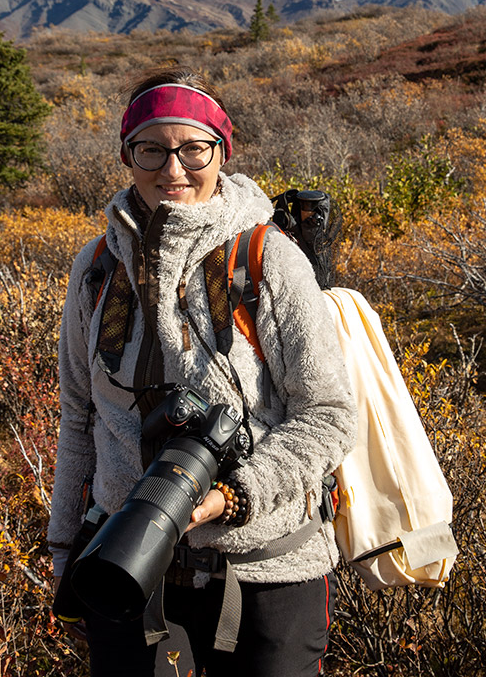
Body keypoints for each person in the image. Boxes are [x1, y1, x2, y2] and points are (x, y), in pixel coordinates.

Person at [48, 66, 357, 677]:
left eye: (194, 148)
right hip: (127, 565)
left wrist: (230, 496)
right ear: (125, 155)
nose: (173, 169)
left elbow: (328, 414)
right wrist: (65, 549)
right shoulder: (96, 268)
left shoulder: (268, 260)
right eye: (151, 149)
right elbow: (79, 417)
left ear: (223, 151)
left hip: (266, 565)